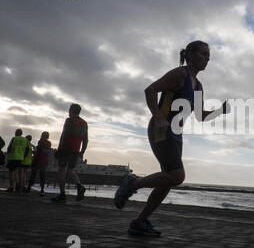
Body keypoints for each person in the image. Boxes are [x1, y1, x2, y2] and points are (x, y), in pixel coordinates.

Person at [114, 40, 230, 236]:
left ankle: (140, 222)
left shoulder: (198, 86)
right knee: (177, 176)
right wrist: (158, 117)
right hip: (161, 129)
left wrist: (220, 111)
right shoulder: (180, 74)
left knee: (168, 180)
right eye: (203, 54)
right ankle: (132, 183)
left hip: (176, 134)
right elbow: (150, 90)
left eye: (209, 56)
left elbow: (201, 115)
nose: (207, 59)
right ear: (190, 55)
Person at [52, 104, 88, 203]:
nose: (68, 111)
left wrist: (59, 149)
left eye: (69, 110)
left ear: (72, 110)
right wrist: (82, 152)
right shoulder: (84, 123)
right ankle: (79, 186)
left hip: (65, 149)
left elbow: (64, 135)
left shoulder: (69, 120)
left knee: (61, 171)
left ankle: (62, 194)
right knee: (70, 171)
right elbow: (85, 140)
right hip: (75, 151)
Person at [26, 132, 51, 196]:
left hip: (38, 160)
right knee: (42, 176)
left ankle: (28, 189)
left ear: (42, 136)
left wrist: (34, 156)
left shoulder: (40, 141)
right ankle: (42, 190)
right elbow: (46, 151)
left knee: (33, 175)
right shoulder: (49, 143)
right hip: (45, 161)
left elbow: (39, 151)